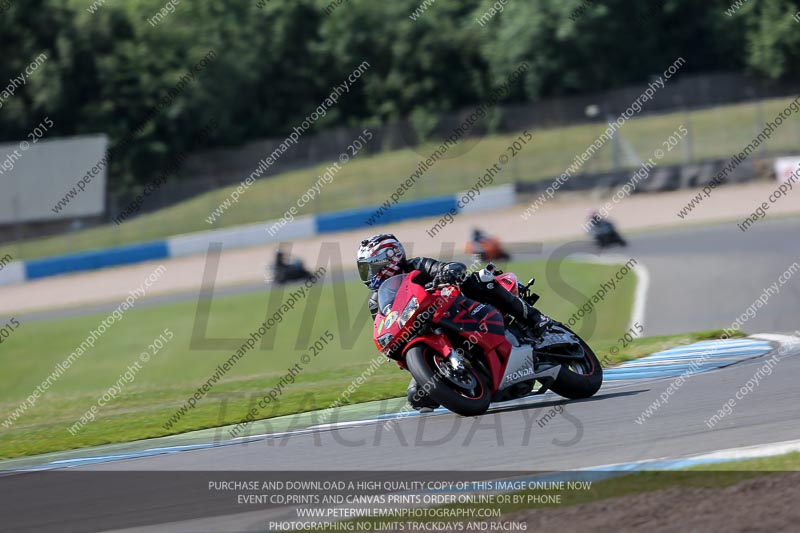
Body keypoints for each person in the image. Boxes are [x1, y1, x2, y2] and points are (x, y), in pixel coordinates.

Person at [357, 233, 551, 411]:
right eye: (364, 268)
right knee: (417, 397)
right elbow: (384, 323)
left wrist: (447, 272)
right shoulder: (376, 301)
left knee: (480, 280)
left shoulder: (417, 266)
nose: (369, 273)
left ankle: (535, 318)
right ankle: (469, 379)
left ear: (390, 259)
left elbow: (445, 267)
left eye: (371, 267)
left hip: (458, 308)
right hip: (425, 332)